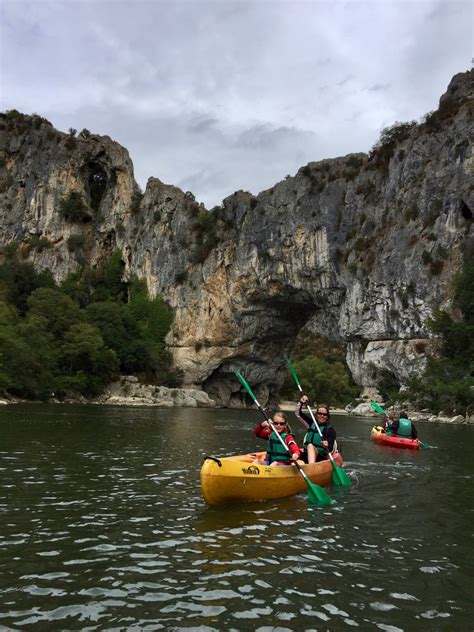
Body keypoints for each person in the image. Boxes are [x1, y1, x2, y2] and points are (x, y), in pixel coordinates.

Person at [295, 395, 336, 464]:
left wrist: (327, 445)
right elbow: (298, 414)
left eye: (324, 414)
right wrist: (301, 402)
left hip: (320, 457)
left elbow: (331, 447)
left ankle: (311, 466)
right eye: (320, 413)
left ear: (327, 417)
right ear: (316, 414)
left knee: (310, 446)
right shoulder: (311, 423)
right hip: (306, 454)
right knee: (297, 462)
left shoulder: (329, 430)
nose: (322, 416)